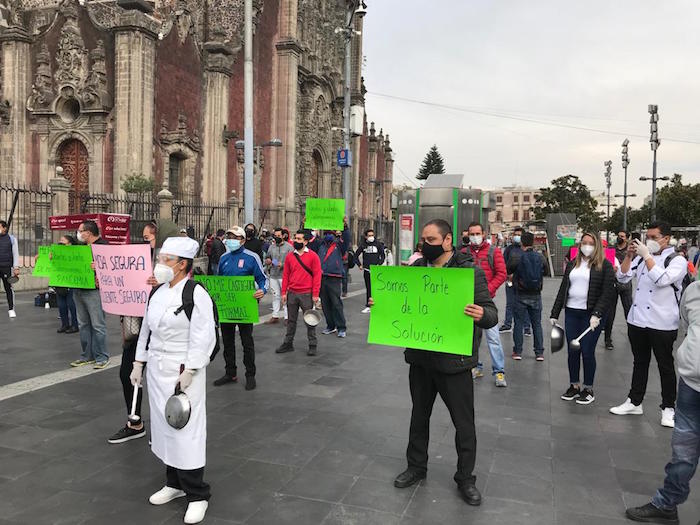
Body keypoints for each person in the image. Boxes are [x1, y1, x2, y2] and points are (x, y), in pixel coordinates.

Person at [379, 219, 497, 507]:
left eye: (431, 239)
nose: (425, 245)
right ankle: (416, 466)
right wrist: (381, 303)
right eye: (423, 239)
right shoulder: (417, 269)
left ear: (447, 241)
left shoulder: (468, 271)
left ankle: (465, 479)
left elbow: (492, 314)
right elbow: (401, 306)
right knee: (419, 415)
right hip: (421, 359)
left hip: (455, 363)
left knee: (463, 423)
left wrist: (481, 314)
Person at [131, 236, 215, 525]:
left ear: (182, 264)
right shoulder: (157, 293)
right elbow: (146, 330)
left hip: (183, 370)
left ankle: (197, 494)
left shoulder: (195, 293)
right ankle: (174, 483)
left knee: (185, 429)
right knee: (164, 427)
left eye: (166, 259)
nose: (160, 263)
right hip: (156, 367)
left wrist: (191, 369)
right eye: (160, 257)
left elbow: (204, 336)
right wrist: (138, 362)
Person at [624, 280, 700, 524]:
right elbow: (688, 328)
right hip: (691, 383)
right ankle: (667, 504)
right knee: (682, 452)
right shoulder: (693, 291)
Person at [610, 221, 688, 428]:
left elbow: (662, 280)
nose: (650, 241)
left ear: (666, 238)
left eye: (654, 237)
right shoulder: (643, 260)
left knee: (665, 365)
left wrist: (646, 255)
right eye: (648, 237)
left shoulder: (677, 260)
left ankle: (669, 407)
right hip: (638, 320)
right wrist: (628, 255)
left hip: (662, 322)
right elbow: (623, 276)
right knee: (640, 362)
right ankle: (635, 401)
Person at [108, 220, 179, 445]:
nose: (146, 241)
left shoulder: (173, 262)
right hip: (137, 326)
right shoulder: (137, 259)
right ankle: (135, 421)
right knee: (127, 373)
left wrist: (160, 284)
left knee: (163, 381)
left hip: (163, 331)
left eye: (149, 238)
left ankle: (165, 426)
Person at [550, 233, 616, 405]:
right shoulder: (573, 264)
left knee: (587, 351)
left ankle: (588, 388)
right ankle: (574, 385)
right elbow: (564, 288)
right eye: (584, 243)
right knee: (573, 350)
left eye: (590, 243)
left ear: (597, 246)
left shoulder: (605, 266)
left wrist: (597, 314)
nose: (587, 246)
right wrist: (555, 313)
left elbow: (607, 293)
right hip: (572, 312)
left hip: (591, 315)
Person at [213, 226, 267, 390]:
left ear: (242, 240)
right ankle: (230, 372)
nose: (231, 240)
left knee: (247, 342)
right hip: (228, 307)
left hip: (245, 306)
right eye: (229, 237)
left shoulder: (252, 257)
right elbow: (219, 280)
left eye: (235, 237)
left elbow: (262, 278)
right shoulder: (224, 257)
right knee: (227, 341)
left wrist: (261, 290)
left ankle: (250, 374)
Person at [461, 223, 508, 387]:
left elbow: (502, 274)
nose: (474, 236)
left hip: (485, 302)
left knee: (493, 338)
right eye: (472, 233)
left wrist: (486, 291)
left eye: (477, 233)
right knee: (472, 338)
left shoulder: (493, 251)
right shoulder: (463, 253)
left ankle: (499, 371)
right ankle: (476, 366)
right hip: (467, 303)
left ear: (484, 233)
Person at [70, 220, 110, 369]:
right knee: (83, 324)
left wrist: (99, 266)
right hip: (79, 288)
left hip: (94, 291)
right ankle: (87, 355)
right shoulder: (80, 247)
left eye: (81, 231)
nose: (78, 234)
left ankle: (102, 356)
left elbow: (113, 266)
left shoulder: (104, 246)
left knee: (98, 324)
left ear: (89, 232)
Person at [276, 230, 322, 355]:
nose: (296, 241)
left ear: (306, 242)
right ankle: (288, 343)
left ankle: (312, 344)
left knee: (310, 320)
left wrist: (315, 294)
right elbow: (286, 275)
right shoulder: (290, 256)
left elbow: (317, 276)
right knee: (291, 320)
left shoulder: (313, 256)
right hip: (292, 293)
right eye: (295, 238)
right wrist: (284, 292)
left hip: (307, 293)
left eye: (299, 239)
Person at [507, 231, 546, 361]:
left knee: (518, 323)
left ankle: (517, 351)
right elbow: (545, 271)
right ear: (533, 242)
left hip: (520, 294)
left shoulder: (517, 257)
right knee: (536, 324)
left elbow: (508, 270)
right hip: (536, 295)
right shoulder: (540, 257)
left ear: (521, 242)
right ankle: (539, 352)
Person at [318, 224, 351, 338]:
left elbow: (347, 238)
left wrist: (345, 227)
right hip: (322, 277)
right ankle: (330, 326)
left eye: (330, 234)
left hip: (334, 277)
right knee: (325, 304)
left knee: (336, 303)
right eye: (326, 233)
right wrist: (305, 225)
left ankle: (341, 327)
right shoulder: (320, 245)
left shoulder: (340, 245)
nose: (328, 235)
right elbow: (308, 239)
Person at [603, 230, 633, 350]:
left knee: (629, 311)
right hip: (612, 284)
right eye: (618, 236)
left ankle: (633, 336)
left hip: (625, 285)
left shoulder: (630, 251)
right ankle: (608, 339)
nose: (619, 238)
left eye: (622, 236)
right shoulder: (611, 249)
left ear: (627, 238)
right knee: (610, 313)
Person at [500, 226, 531, 336]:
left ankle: (526, 327)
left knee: (525, 304)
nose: (517, 237)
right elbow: (503, 263)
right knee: (510, 303)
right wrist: (507, 275)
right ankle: (508, 324)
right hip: (510, 280)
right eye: (515, 235)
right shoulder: (509, 249)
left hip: (523, 282)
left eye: (519, 235)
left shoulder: (526, 249)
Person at [265, 227, 293, 324]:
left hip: (284, 276)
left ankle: (287, 317)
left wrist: (283, 265)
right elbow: (267, 257)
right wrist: (268, 260)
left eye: (278, 236)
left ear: (283, 236)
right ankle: (275, 315)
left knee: (285, 296)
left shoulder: (289, 247)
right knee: (275, 295)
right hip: (273, 275)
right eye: (275, 236)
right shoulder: (271, 247)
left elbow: (293, 262)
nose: (276, 237)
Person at [355, 228, 385, 314]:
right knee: (369, 288)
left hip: (376, 270)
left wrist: (379, 263)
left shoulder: (378, 244)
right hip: (367, 270)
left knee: (377, 288)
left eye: (372, 235)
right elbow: (355, 255)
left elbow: (382, 255)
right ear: (365, 236)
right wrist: (359, 265)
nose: (371, 237)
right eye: (369, 235)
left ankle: (378, 304)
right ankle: (368, 305)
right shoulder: (363, 245)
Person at [55, 235, 79, 334]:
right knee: (61, 305)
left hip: (71, 282)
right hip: (60, 282)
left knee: (71, 305)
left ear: (70, 243)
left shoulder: (76, 253)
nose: (60, 242)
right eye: (60, 240)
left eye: (63, 240)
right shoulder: (56, 252)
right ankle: (64, 324)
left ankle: (75, 325)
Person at [0, 220, 19, 318]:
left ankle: (11, 309)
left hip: (6, 267)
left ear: (4, 228)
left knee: (8, 288)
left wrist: (16, 267)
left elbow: (15, 254)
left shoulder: (11, 239)